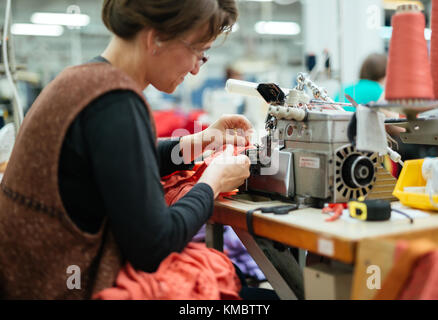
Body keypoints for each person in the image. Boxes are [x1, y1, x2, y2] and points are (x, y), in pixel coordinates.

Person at [0, 0, 262, 299]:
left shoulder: (81, 80)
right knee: (248, 291)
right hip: (68, 286)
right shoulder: (116, 103)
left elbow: (128, 161)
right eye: (198, 52)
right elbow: (154, 245)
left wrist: (201, 141)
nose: (194, 69)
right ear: (156, 38)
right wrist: (212, 183)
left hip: (31, 280)